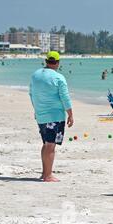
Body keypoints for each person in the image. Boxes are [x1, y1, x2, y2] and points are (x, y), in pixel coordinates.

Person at [29, 51, 74, 182]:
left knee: (46, 144)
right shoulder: (59, 78)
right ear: (58, 63)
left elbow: (31, 94)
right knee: (50, 146)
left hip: (41, 115)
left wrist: (37, 110)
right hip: (54, 116)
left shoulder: (35, 75)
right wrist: (70, 115)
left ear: (46, 61)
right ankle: (48, 175)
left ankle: (45, 173)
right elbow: (65, 98)